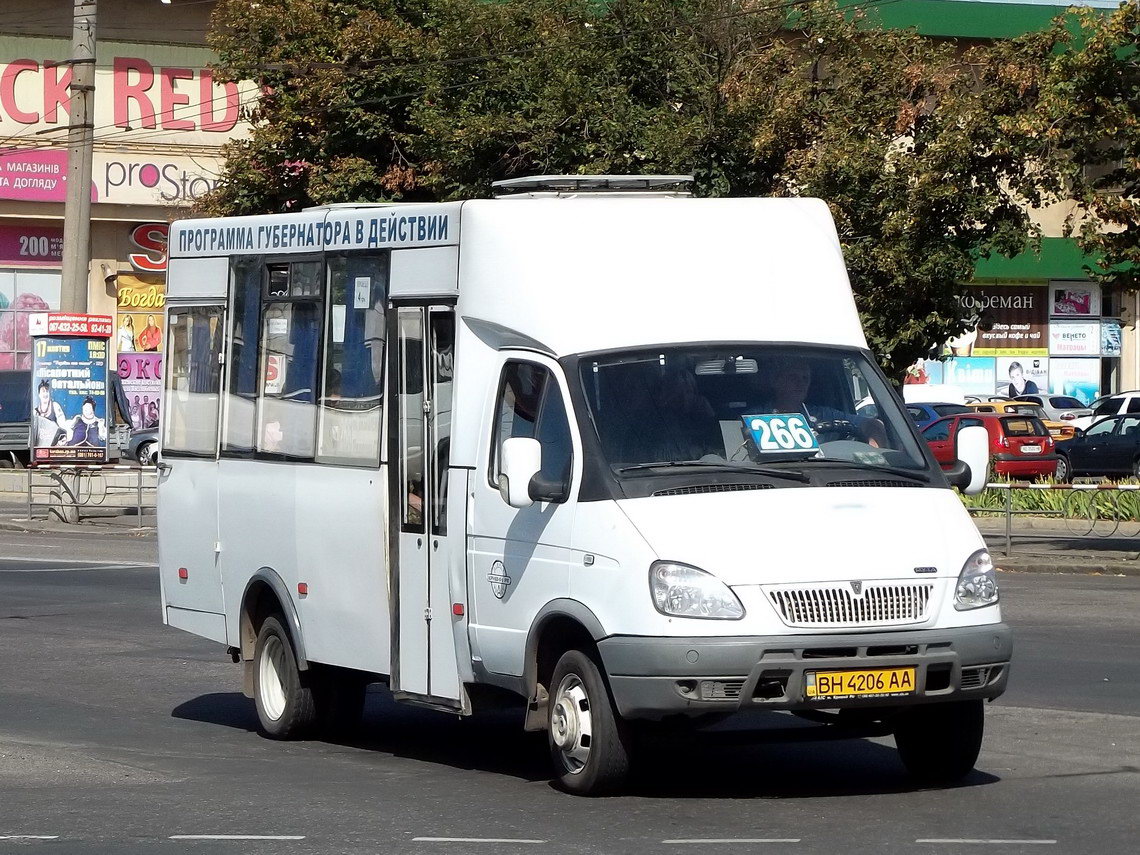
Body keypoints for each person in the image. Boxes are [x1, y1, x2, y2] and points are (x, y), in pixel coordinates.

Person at [761, 356, 886, 447]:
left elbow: (873, 424)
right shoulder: (756, 416)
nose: (801, 383)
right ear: (776, 382)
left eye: (805, 378)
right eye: (793, 377)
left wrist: (875, 452)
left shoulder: (822, 414)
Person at [33, 379, 67, 448]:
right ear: (39, 394)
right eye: (43, 391)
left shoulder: (55, 406)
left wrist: (62, 439)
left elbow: (63, 426)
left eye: (47, 391)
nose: (45, 394)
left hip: (54, 445)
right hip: (41, 445)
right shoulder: (35, 411)